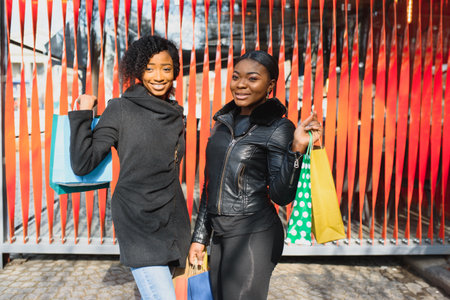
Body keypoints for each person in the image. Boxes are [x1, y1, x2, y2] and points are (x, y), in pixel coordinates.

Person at [188, 50, 322, 300]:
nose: (240, 84)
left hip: (253, 233)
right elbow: (210, 185)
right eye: (236, 77)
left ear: (270, 85)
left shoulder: (278, 127)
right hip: (220, 234)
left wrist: (296, 150)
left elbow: (282, 196)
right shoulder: (222, 123)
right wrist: (199, 237)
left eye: (252, 78)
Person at [69, 35, 190, 300]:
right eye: (149, 68)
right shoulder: (121, 109)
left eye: (166, 68)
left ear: (175, 72)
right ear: (137, 71)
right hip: (138, 219)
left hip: (172, 218)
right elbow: (83, 162)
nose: (158, 76)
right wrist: (83, 115)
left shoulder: (176, 113)